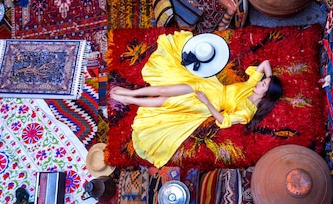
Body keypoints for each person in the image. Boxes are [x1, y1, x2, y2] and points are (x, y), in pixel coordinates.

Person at [110, 30, 282, 168]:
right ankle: (131, 93)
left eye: (264, 85)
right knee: (166, 88)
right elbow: (265, 63)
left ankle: (131, 100)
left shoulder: (247, 112)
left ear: (266, 95)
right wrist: (270, 80)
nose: (260, 83)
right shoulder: (251, 85)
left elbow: (223, 119)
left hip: (209, 104)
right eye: (263, 82)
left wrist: (206, 102)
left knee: (166, 102)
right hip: (210, 87)